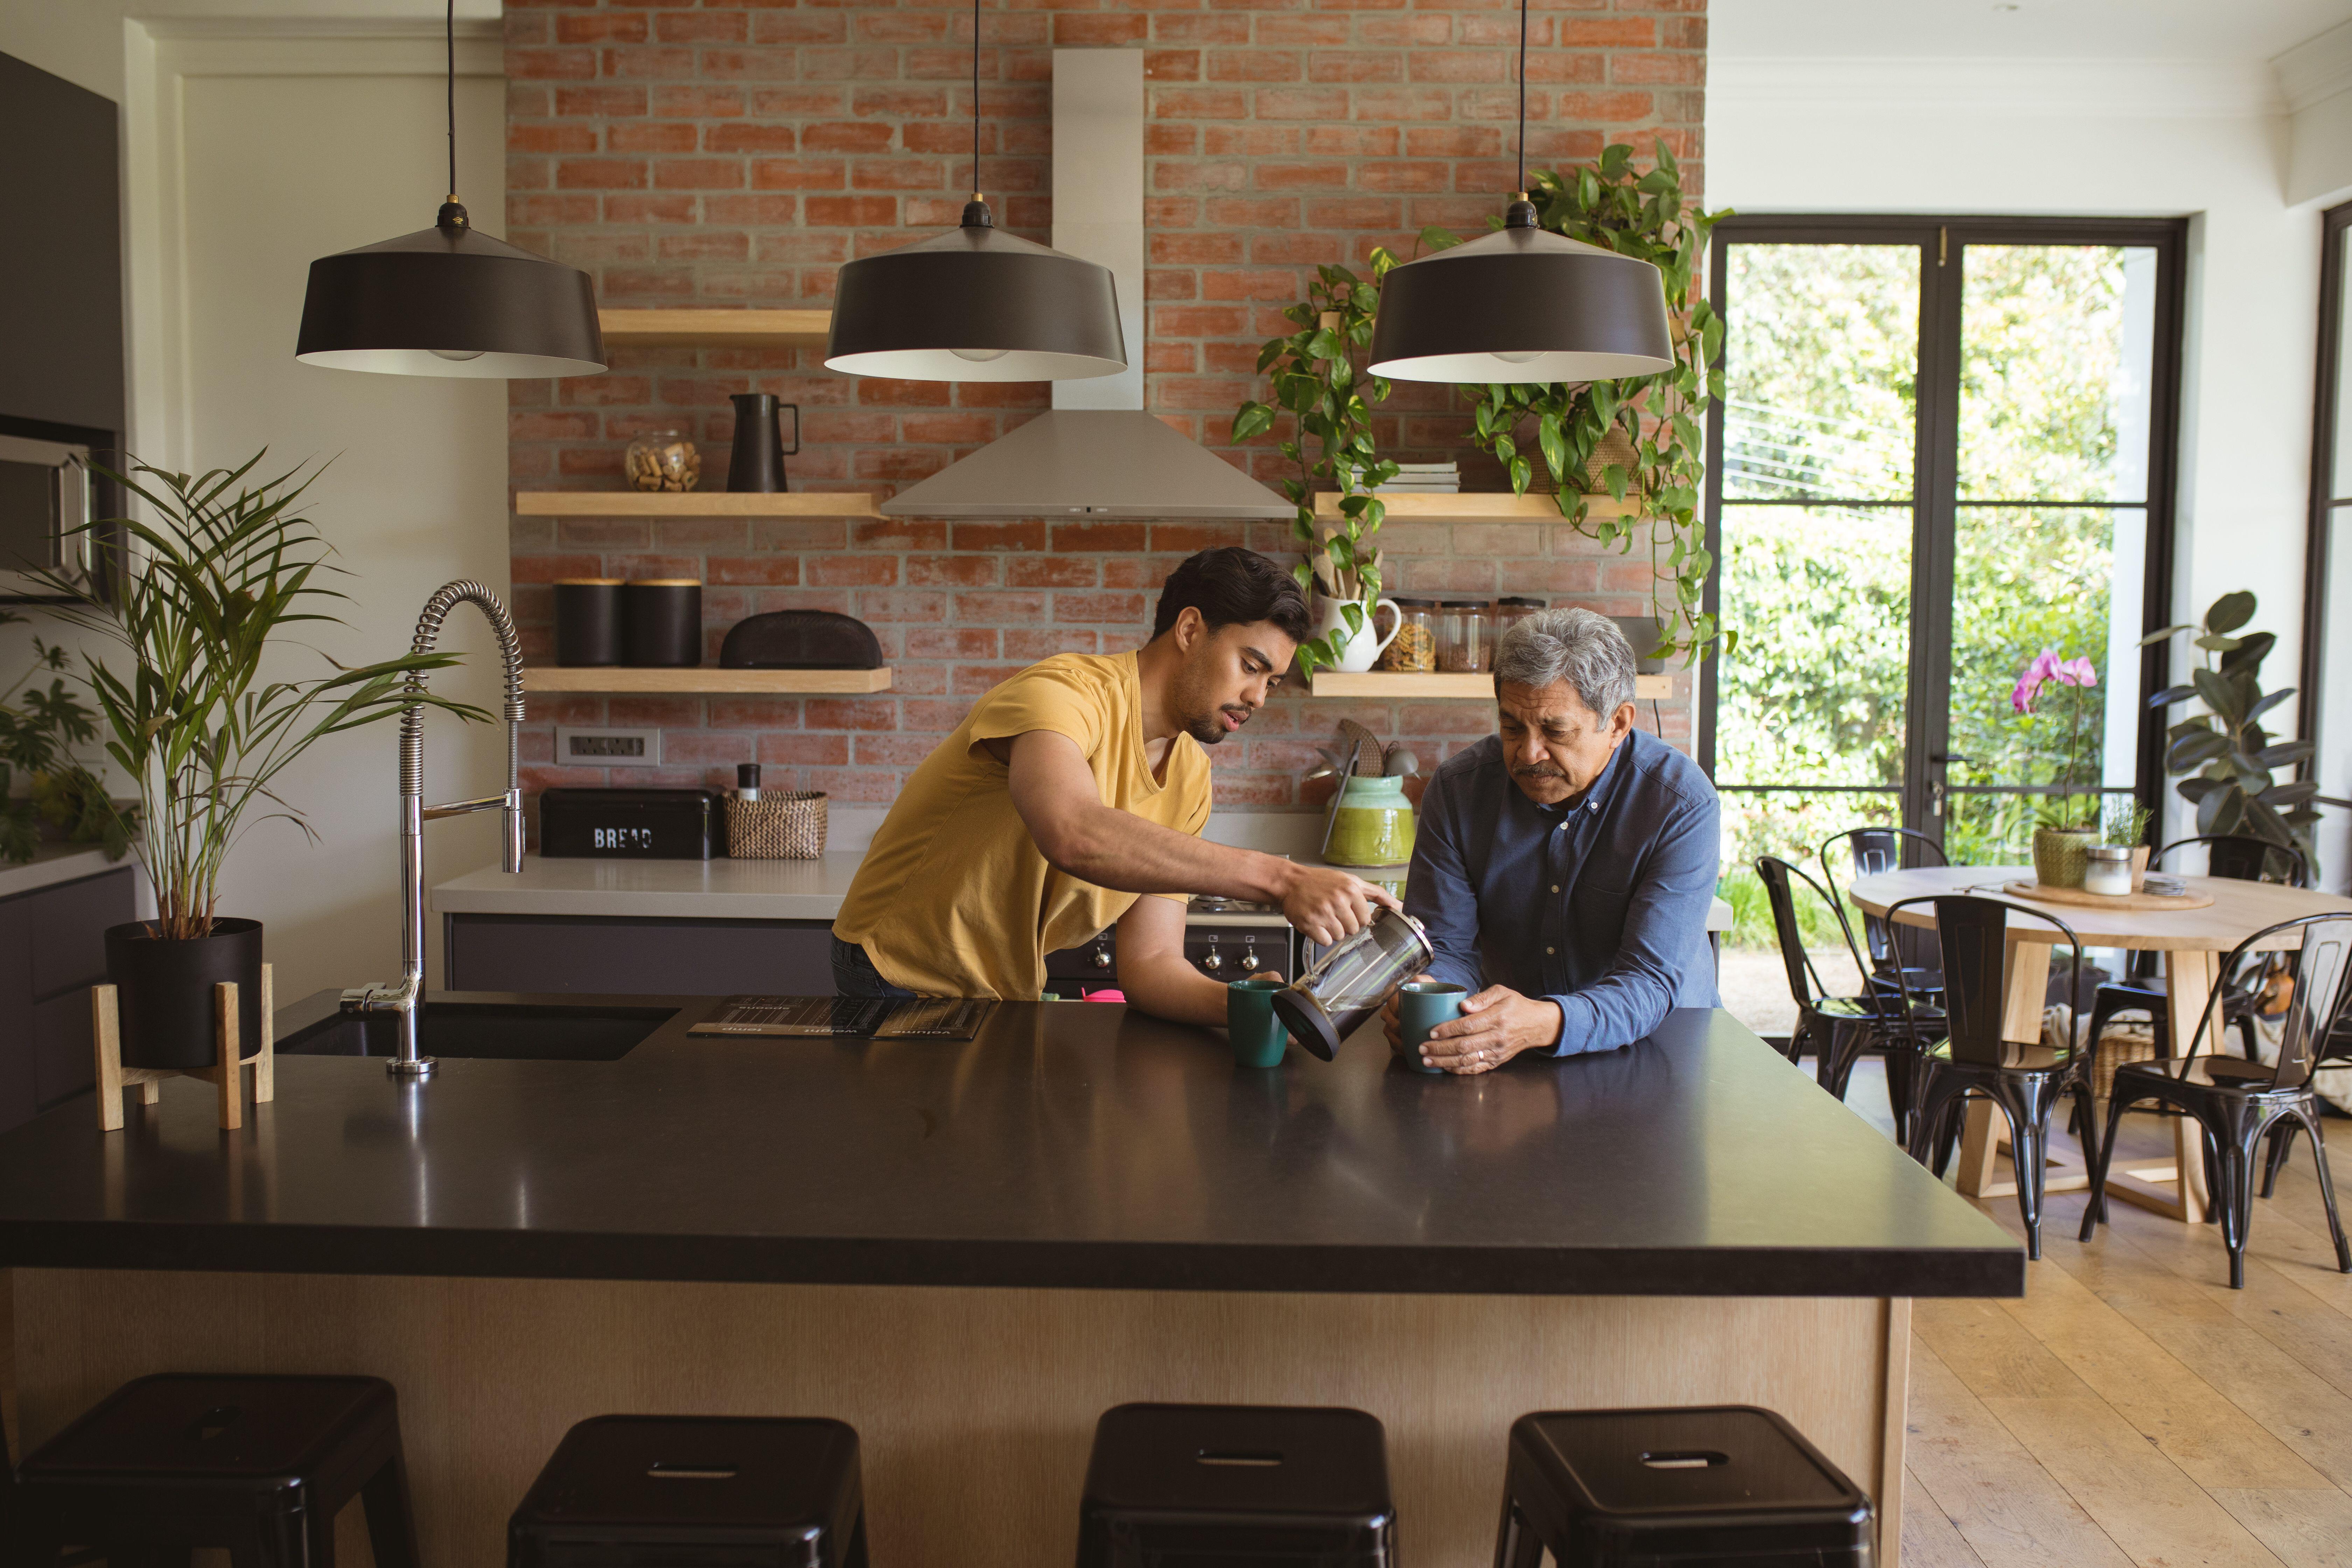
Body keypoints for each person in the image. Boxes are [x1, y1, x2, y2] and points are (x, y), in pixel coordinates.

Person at [832, 547, 1398, 1023]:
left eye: (1271, 681)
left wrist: (1254, 1004)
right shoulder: (1064, 694)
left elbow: (1151, 965)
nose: (1259, 698)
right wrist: (1282, 878)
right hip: (896, 973)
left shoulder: (1190, 777)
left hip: (999, 992)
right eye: (1251, 666)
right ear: (1191, 629)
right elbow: (1072, 830)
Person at [1385, 607, 1720, 1073]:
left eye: (1556, 731)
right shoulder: (1459, 790)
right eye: (1512, 727)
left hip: (1664, 1050)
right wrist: (1431, 997)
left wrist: (1545, 1021)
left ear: (1618, 724)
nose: (1529, 753)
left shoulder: (1680, 803)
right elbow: (1449, 948)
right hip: (1512, 1052)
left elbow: (1649, 980)